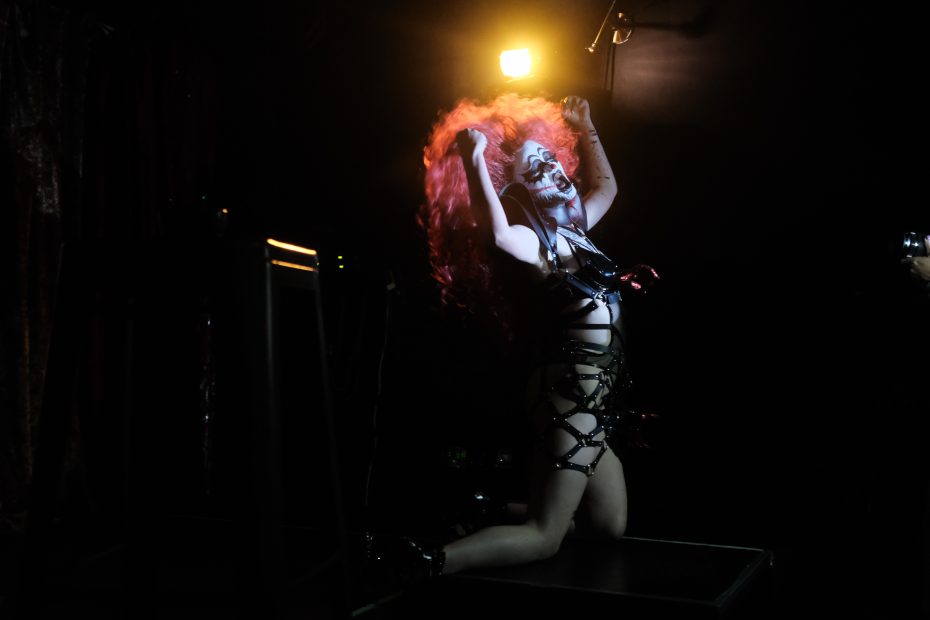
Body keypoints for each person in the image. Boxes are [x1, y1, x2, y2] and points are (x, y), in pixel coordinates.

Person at [368, 93, 656, 581]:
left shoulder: (579, 231)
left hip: (600, 401)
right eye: (533, 170)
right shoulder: (533, 242)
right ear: (522, 193)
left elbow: (607, 185)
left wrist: (585, 127)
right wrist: (474, 158)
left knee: (608, 526)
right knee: (546, 536)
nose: (549, 169)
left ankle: (491, 509)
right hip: (569, 397)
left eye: (548, 160)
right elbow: (497, 234)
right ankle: (429, 563)